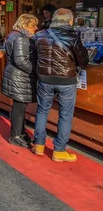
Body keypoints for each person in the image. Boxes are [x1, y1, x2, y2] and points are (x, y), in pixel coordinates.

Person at [33, 9, 88, 162]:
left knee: (42, 111)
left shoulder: (40, 35)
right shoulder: (73, 37)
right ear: (70, 21)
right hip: (66, 80)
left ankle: (38, 144)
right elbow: (83, 61)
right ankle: (59, 150)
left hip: (45, 79)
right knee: (65, 115)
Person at [1, 14, 39, 148]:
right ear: (25, 25)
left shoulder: (15, 35)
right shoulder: (21, 38)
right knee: (19, 106)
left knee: (20, 106)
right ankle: (16, 135)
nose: (36, 27)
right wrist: (35, 70)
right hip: (20, 77)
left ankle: (20, 133)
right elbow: (21, 61)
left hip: (16, 75)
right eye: (33, 25)